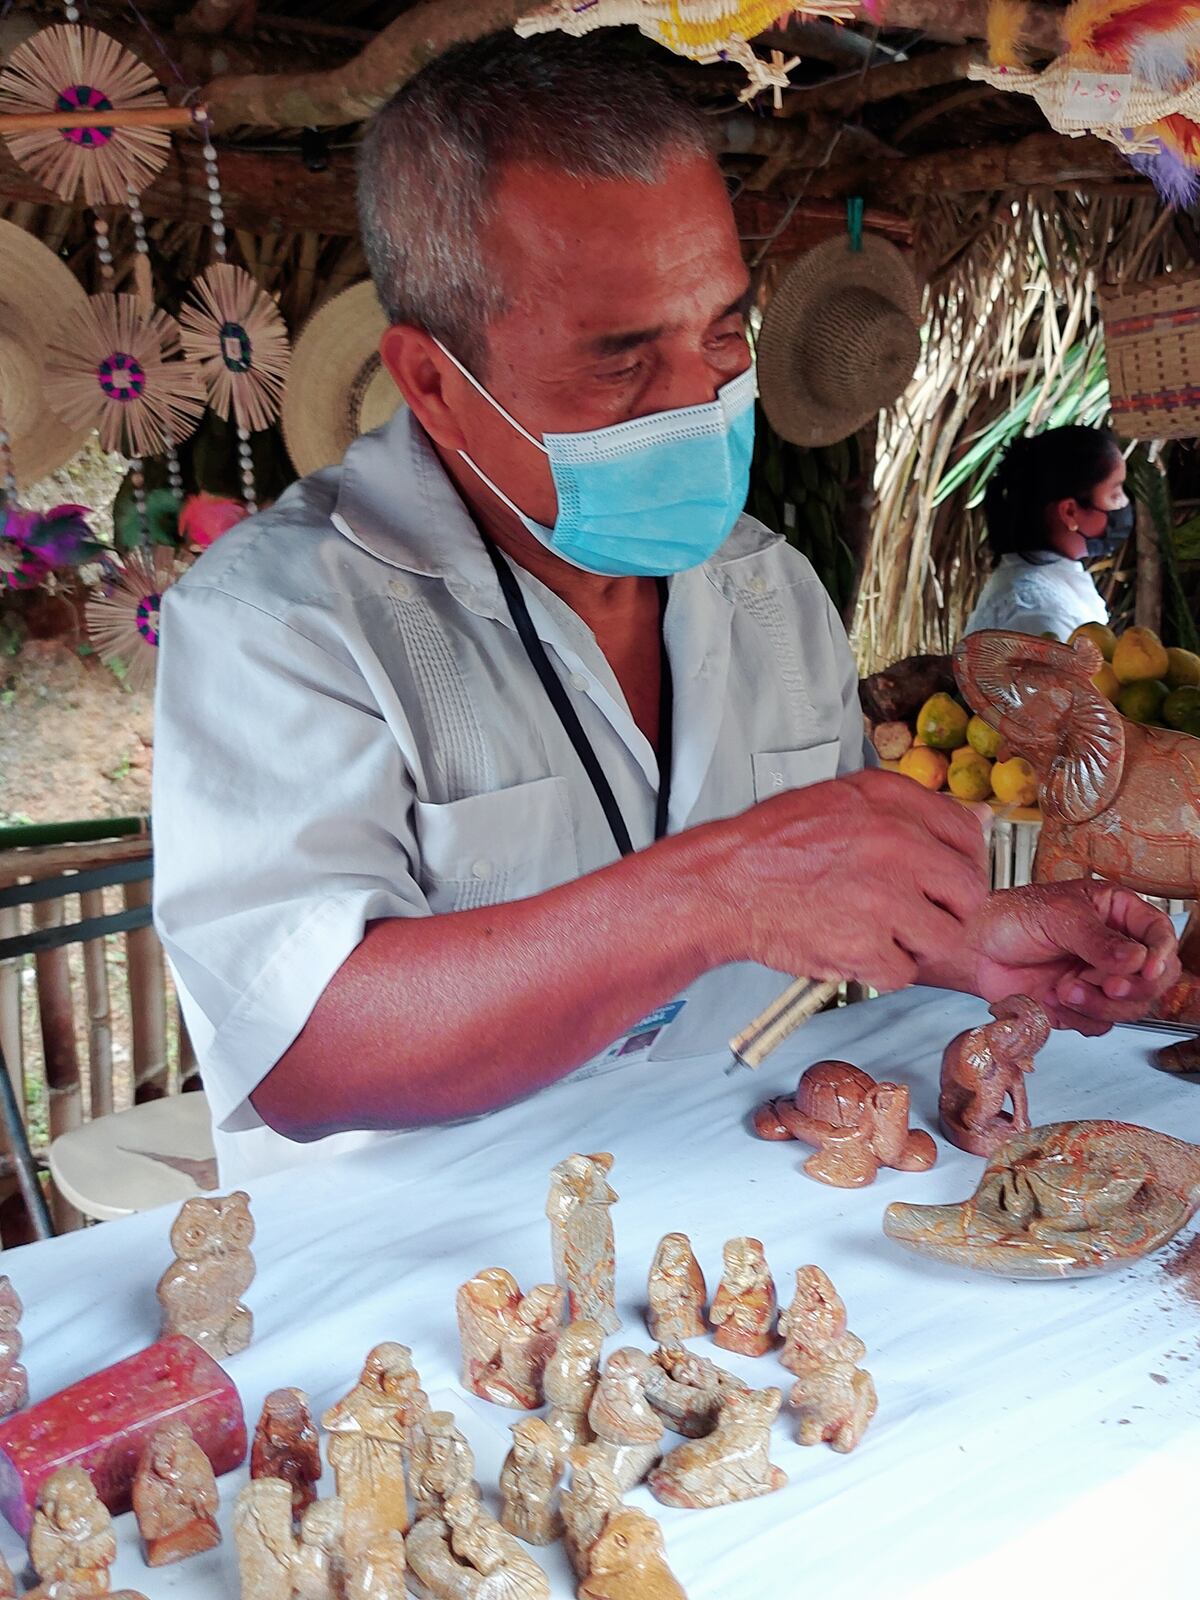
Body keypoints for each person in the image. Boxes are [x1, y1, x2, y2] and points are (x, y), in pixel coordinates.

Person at [152, 35, 1178, 1184]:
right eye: (623, 361)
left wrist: (974, 945)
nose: (701, 402)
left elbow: (818, 896)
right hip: (429, 1292)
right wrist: (716, 890)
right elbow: (299, 1050)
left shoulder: (767, 588)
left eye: (723, 331)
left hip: (744, 1220)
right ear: (435, 383)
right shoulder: (281, 619)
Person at [964, 425, 1133, 640]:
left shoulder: (1052, 583)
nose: (1125, 504)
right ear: (1070, 512)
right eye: (1115, 494)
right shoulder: (1036, 615)